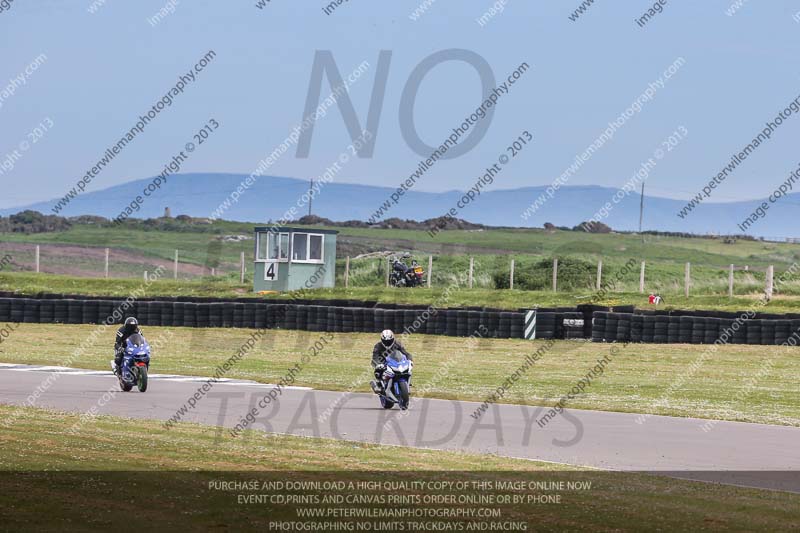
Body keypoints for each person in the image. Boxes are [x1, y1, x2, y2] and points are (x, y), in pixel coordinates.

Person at [370, 329, 413, 394]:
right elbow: (375, 357)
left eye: (389, 341)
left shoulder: (397, 344)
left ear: (393, 339)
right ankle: (379, 385)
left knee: (408, 370)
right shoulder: (378, 346)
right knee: (378, 372)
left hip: (395, 361)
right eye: (385, 341)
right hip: (383, 363)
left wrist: (410, 360)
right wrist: (378, 364)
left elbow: (406, 353)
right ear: (382, 340)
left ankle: (407, 384)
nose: (387, 343)